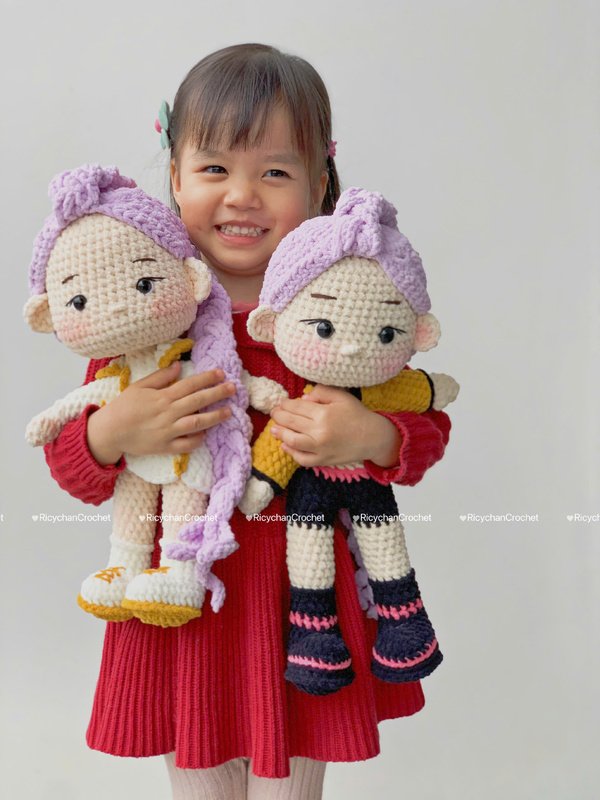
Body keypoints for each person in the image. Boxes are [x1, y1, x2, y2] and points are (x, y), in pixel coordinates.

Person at [43, 43, 451, 800]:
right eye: (214, 168)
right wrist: (111, 433)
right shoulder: (144, 316)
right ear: (174, 176)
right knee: (201, 781)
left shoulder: (339, 308)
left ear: (319, 183)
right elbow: (73, 463)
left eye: (275, 172)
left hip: (303, 609)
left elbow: (424, 423)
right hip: (180, 608)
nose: (242, 196)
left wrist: (372, 437)